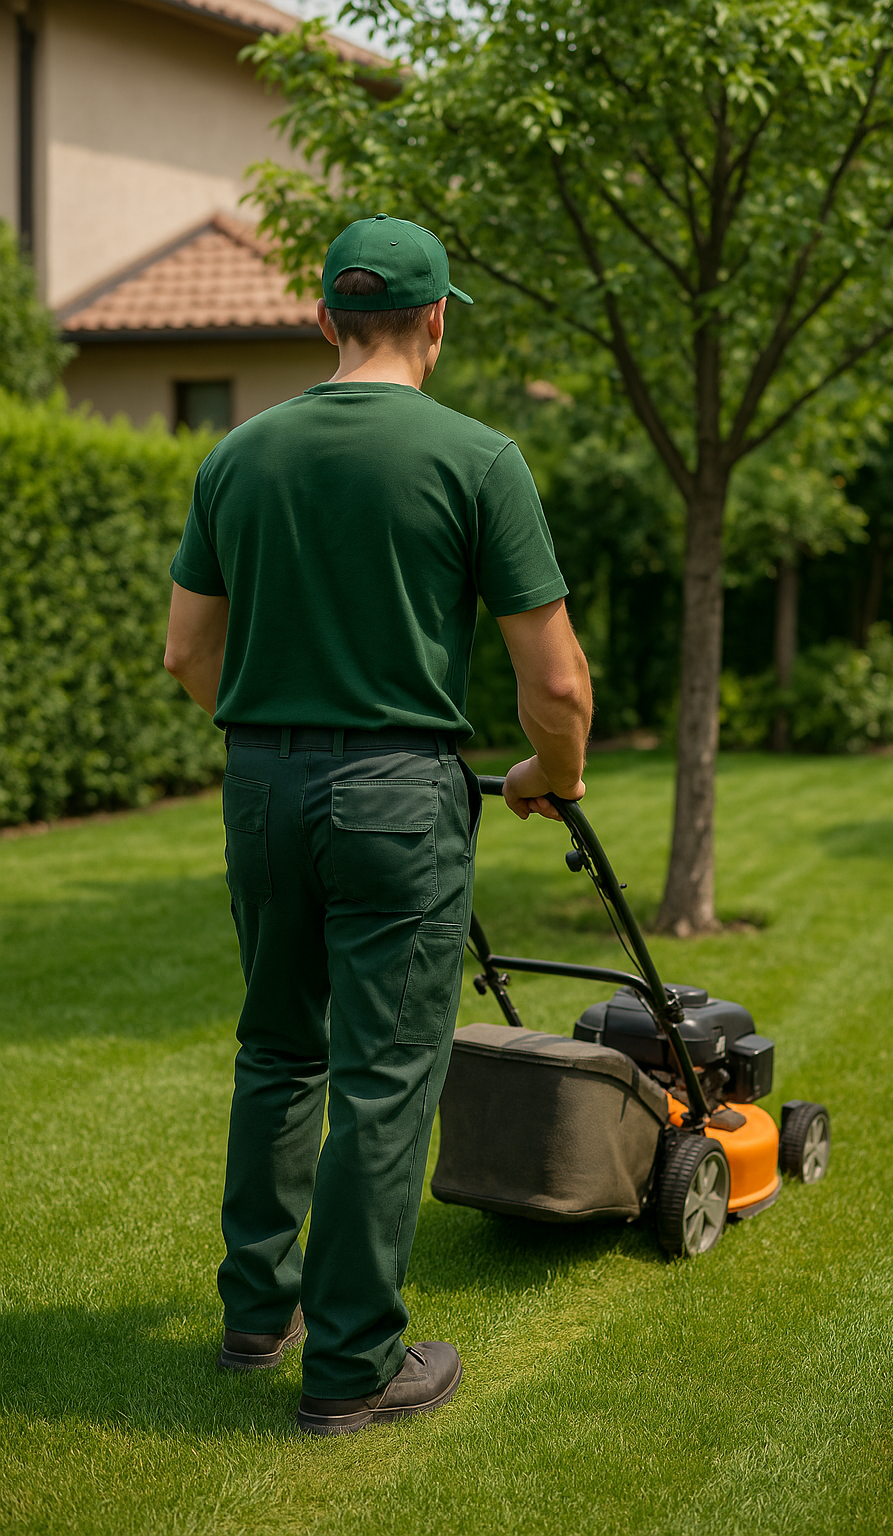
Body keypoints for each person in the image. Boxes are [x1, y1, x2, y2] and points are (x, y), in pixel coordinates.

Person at [163, 213, 592, 1436]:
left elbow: (188, 652)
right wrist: (546, 775)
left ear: (322, 320)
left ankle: (259, 1315)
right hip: (398, 792)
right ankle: (353, 1365)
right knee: (386, 1075)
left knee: (275, 1048)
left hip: (260, 783)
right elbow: (555, 685)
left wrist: (272, 743)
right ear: (439, 320)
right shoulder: (477, 458)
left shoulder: (237, 455)